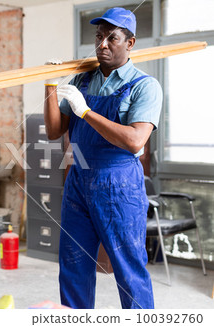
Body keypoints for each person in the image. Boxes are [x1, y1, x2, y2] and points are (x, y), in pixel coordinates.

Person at [43, 7, 162, 309]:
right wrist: (49, 86)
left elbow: (135, 141)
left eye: (112, 38)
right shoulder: (83, 80)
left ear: (130, 43)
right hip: (78, 181)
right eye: (98, 37)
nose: (103, 44)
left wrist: (85, 111)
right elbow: (55, 131)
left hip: (119, 186)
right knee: (73, 264)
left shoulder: (144, 86)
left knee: (128, 268)